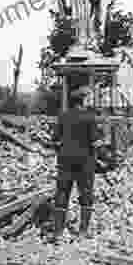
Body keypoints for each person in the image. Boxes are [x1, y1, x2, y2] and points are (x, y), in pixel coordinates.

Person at [50, 86, 102, 243]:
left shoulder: (63, 116)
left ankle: (58, 233)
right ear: (84, 100)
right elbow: (95, 142)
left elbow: (55, 140)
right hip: (85, 163)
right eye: (89, 98)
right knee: (86, 194)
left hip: (65, 162)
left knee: (62, 193)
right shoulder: (90, 117)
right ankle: (82, 232)